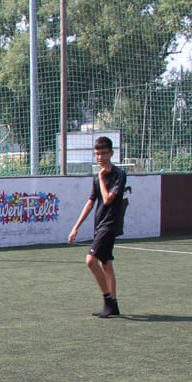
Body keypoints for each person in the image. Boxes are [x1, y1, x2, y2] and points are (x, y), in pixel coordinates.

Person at [68, 136, 128, 318]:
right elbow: (91, 202)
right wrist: (76, 227)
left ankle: (107, 300)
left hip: (110, 226)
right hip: (100, 224)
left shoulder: (119, 174)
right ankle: (114, 305)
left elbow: (109, 199)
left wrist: (101, 177)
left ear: (111, 153)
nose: (100, 157)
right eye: (97, 154)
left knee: (90, 261)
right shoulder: (97, 177)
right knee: (106, 264)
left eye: (103, 153)